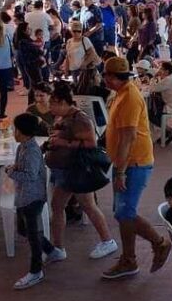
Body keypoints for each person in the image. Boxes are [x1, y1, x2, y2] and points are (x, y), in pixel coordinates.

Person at [100, 57, 170, 279]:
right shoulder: (121, 93)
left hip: (134, 162)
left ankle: (157, 244)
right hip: (124, 161)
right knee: (122, 213)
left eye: (105, 76)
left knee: (125, 211)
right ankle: (129, 258)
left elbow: (129, 136)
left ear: (111, 77)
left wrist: (120, 171)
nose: (103, 79)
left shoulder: (129, 96)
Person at [44, 83, 117, 262]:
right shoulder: (63, 117)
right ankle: (58, 247)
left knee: (88, 205)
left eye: (52, 103)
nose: (50, 108)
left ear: (62, 102)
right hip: (65, 169)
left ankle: (107, 240)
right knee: (57, 206)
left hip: (77, 169)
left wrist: (64, 144)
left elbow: (91, 144)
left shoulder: (80, 119)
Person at [7, 113, 61, 290]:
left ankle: (36, 271)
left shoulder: (31, 151)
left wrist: (11, 173)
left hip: (33, 197)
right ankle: (52, 251)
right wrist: (14, 168)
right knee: (24, 230)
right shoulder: (22, 147)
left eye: (15, 129)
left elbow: (30, 175)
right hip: (23, 196)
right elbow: (20, 166)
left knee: (33, 234)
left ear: (22, 132)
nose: (14, 132)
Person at [144, 61, 172, 146]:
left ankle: (169, 130)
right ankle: (165, 132)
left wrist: (154, 77)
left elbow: (152, 89)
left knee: (148, 114)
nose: (159, 70)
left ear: (167, 71)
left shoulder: (168, 80)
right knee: (155, 106)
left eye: (161, 69)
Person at [14, 22, 46, 104]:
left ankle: (32, 103)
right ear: (24, 31)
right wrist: (40, 51)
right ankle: (34, 103)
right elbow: (37, 51)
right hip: (32, 65)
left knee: (34, 86)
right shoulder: (24, 42)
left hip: (32, 65)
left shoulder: (26, 40)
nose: (30, 30)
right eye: (28, 28)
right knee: (37, 85)